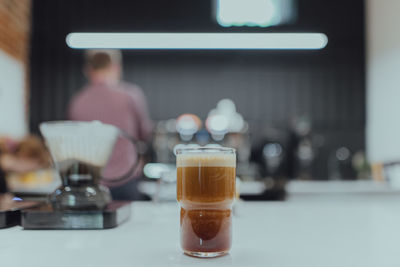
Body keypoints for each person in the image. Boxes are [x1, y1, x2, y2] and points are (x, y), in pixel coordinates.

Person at [68, 50, 153, 200]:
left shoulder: (77, 101)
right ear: (116, 67)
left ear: (88, 70)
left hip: (92, 182)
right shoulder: (130, 95)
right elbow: (145, 132)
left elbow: (74, 144)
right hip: (127, 176)